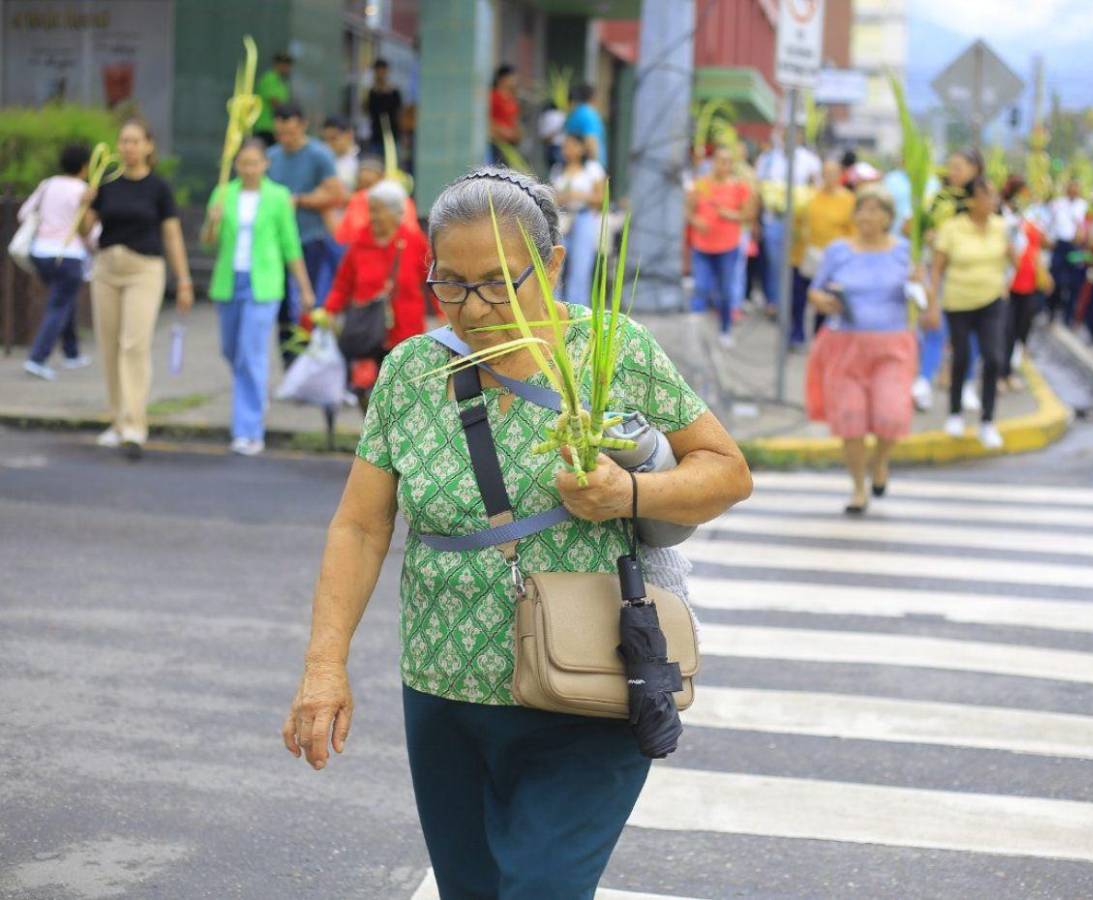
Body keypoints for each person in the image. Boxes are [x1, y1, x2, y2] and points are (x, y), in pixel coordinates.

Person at [281, 165, 753, 899]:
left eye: (500, 282)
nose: (474, 308)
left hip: (588, 680)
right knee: (470, 890)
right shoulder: (410, 372)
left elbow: (726, 471)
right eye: (452, 284)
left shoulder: (613, 350)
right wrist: (324, 665)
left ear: (554, 264)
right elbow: (361, 527)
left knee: (540, 888)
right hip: (445, 688)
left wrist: (628, 491)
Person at [806, 189, 936, 513]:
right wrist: (824, 301)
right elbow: (815, 292)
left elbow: (926, 301)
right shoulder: (838, 251)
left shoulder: (906, 252)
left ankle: (880, 463)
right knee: (850, 419)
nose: (867, 216)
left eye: (875, 210)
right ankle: (858, 488)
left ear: (888, 217)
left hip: (893, 345)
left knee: (890, 414)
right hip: (845, 345)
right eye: (862, 209)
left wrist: (922, 284)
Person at [80, 118, 194, 460]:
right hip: (107, 268)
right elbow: (86, 232)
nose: (128, 147)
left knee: (134, 344)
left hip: (144, 269)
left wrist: (184, 279)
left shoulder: (158, 187)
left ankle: (134, 424)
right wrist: (86, 202)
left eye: (135, 141)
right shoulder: (107, 184)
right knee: (109, 344)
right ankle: (117, 420)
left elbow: (171, 235)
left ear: (148, 146)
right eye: (124, 141)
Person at [202, 139, 316, 455]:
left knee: (251, 353)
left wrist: (304, 288)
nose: (249, 169)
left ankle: (248, 430)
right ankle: (255, 394)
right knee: (232, 350)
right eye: (243, 163)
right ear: (236, 165)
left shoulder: (278, 197)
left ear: (265, 164)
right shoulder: (224, 192)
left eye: (254, 162)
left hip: (263, 283)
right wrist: (212, 220)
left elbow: (290, 246)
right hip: (228, 282)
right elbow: (208, 242)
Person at [323, 180, 429, 409]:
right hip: (367, 329)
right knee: (366, 388)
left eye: (377, 209)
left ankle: (398, 437)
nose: (373, 216)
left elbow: (434, 281)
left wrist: (444, 315)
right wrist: (329, 311)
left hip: (404, 330)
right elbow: (343, 283)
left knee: (403, 390)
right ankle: (373, 435)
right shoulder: (360, 244)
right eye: (371, 209)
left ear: (394, 212)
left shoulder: (413, 242)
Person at [929, 176, 1014, 450]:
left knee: (993, 358)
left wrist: (1006, 284)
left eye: (993, 196)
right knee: (962, 356)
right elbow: (938, 268)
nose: (992, 201)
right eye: (986, 196)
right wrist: (932, 300)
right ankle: (954, 413)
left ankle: (987, 420)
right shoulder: (953, 228)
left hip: (991, 301)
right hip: (958, 301)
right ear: (972, 200)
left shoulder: (1002, 227)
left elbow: (1015, 258)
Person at [268, 103, 345, 363]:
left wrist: (299, 200)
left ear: (303, 126)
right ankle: (290, 361)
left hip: (311, 239)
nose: (285, 139)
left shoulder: (319, 155)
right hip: (276, 244)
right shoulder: (272, 156)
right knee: (280, 306)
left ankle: (309, 360)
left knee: (308, 303)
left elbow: (335, 194)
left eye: (290, 132)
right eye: (280, 134)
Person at [913, 146, 984, 413]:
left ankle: (966, 384)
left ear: (975, 169)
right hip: (941, 273)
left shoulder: (982, 200)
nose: (953, 173)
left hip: (973, 277)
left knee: (971, 334)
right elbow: (923, 230)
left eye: (959, 167)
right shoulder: (939, 198)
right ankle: (923, 382)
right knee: (935, 326)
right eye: (951, 167)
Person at [19, 143, 93, 381]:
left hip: (41, 254)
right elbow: (90, 230)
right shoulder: (83, 190)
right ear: (85, 166)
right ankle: (37, 358)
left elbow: (24, 213)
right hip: (68, 254)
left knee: (64, 299)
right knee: (59, 304)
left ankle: (72, 353)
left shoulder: (47, 184)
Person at [686, 145, 755, 347]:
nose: (722, 166)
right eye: (718, 161)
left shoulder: (739, 187)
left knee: (726, 290)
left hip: (727, 247)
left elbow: (748, 214)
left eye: (726, 162)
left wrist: (729, 214)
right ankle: (696, 329)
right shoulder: (701, 185)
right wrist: (696, 221)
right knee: (701, 286)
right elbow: (688, 211)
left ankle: (725, 328)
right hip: (702, 246)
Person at [791, 157, 856, 347]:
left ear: (840, 176)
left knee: (824, 301)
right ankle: (796, 334)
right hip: (807, 255)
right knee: (799, 298)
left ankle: (819, 338)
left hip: (833, 260)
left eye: (833, 173)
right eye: (825, 173)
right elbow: (798, 224)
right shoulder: (810, 197)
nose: (829, 178)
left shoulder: (848, 200)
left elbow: (852, 233)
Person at [755, 132, 821, 316]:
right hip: (773, 220)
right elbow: (758, 191)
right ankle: (775, 303)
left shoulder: (810, 160)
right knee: (775, 265)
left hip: (799, 223)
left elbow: (816, 188)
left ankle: (793, 305)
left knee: (797, 266)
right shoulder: (767, 160)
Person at [1000, 175, 1048, 389]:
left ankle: (1009, 366)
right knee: (1007, 329)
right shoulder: (1003, 217)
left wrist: (1043, 274)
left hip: (1029, 281)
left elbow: (1038, 246)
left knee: (1024, 325)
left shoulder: (1030, 218)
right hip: (1009, 281)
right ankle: (1002, 374)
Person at [550, 133, 606, 305]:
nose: (568, 150)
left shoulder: (592, 168)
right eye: (565, 146)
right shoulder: (558, 169)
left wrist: (578, 195)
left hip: (583, 217)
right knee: (555, 264)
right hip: (563, 218)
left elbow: (601, 198)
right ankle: (556, 307)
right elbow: (551, 196)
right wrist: (564, 197)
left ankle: (578, 308)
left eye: (572, 145)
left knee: (581, 267)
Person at [1047, 179, 1088, 322]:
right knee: (1056, 278)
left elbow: (1084, 226)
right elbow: (1051, 223)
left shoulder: (1083, 205)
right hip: (1060, 245)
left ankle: (1069, 316)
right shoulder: (1058, 204)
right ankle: (1052, 310)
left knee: (1075, 280)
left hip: (1075, 247)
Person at [363, 59, 403, 158]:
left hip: (392, 134)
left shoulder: (394, 91)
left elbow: (399, 113)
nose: (381, 74)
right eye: (378, 71)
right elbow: (365, 109)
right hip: (376, 134)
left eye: (383, 71)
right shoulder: (371, 92)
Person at [253, 52, 293, 146]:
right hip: (265, 127)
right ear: (277, 64)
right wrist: (290, 114)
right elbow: (275, 102)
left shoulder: (283, 82)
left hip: (276, 128)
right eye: (284, 65)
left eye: (288, 65)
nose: (287, 68)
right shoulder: (269, 78)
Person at [563, 83, 607, 168]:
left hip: (574, 166)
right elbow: (591, 140)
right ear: (593, 97)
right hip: (590, 166)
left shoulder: (574, 114)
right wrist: (595, 167)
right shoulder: (588, 114)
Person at [488, 64, 522, 165]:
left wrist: (516, 133)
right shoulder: (492, 96)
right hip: (495, 143)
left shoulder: (512, 100)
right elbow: (486, 120)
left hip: (510, 145)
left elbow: (514, 121)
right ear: (502, 79)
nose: (515, 81)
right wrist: (502, 131)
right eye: (512, 77)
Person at [321, 116, 360, 192]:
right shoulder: (323, 160)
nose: (328, 144)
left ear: (349, 135)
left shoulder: (364, 159)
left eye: (333, 139)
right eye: (325, 140)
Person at [537, 100, 567, 171]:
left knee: (552, 171)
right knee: (560, 170)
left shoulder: (543, 116)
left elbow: (542, 137)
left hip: (549, 147)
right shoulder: (561, 114)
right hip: (561, 146)